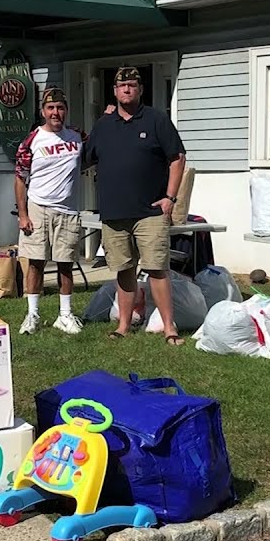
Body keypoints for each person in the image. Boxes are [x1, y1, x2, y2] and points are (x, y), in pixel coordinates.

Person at [81, 66, 188, 346]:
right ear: (115, 91)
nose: (127, 89)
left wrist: (170, 198)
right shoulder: (103, 125)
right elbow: (83, 158)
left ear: (140, 90)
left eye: (132, 85)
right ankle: (124, 326)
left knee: (156, 268)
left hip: (150, 211)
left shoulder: (156, 120)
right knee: (124, 270)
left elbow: (177, 157)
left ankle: (169, 328)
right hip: (114, 212)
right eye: (122, 86)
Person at [14, 87, 86, 336]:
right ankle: (32, 315)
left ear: (66, 110)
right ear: (43, 111)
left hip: (68, 209)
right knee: (35, 263)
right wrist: (23, 214)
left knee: (66, 263)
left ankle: (64, 315)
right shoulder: (32, 141)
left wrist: (109, 118)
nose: (56, 112)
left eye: (60, 108)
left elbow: (99, 148)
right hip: (38, 207)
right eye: (51, 108)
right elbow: (20, 178)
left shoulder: (77, 137)